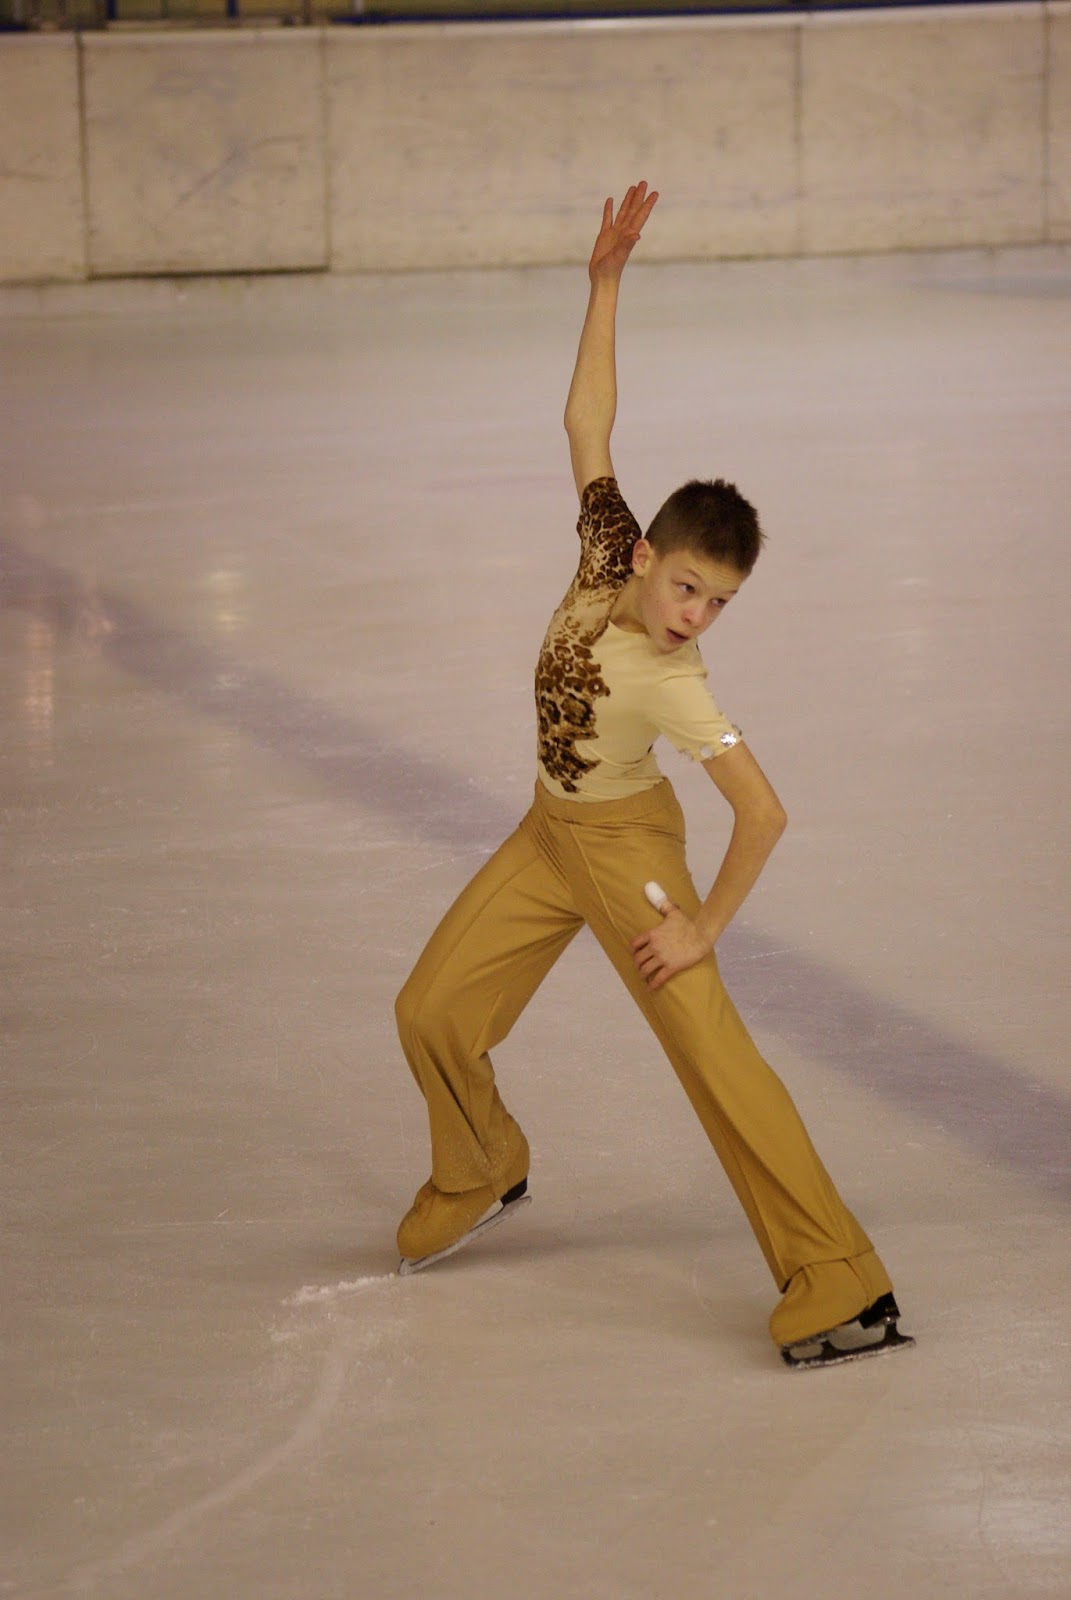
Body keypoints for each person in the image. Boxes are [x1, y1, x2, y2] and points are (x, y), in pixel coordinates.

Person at [393, 182, 914, 1370]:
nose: (696, 616)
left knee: (714, 1056)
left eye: (720, 603)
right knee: (430, 1011)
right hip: (549, 835)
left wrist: (704, 926)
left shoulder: (678, 682)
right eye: (688, 588)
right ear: (641, 554)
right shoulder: (600, 553)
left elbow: (763, 811)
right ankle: (481, 1165)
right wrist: (606, 284)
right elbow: (588, 422)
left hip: (631, 856)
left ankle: (838, 1274)